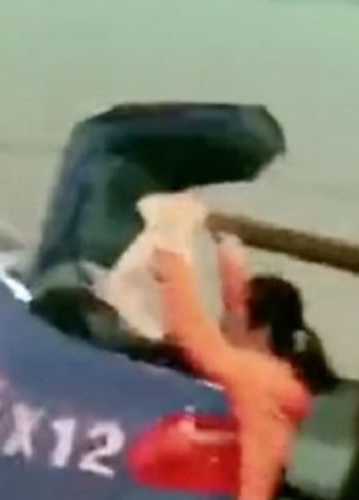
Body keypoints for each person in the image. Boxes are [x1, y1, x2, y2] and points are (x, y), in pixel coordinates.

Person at [107, 192, 337, 500]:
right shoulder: (269, 376)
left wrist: (170, 247)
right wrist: (228, 248)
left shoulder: (261, 378)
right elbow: (236, 306)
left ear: (261, 328)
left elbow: (193, 334)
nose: (223, 324)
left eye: (230, 317)